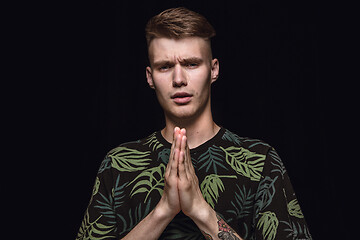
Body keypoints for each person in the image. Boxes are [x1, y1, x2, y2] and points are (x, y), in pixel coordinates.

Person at [76, 7, 312, 240]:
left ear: (213, 69)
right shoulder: (117, 165)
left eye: (191, 64)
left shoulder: (261, 161)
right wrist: (163, 211)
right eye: (165, 67)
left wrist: (200, 210)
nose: (179, 79)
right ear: (150, 77)